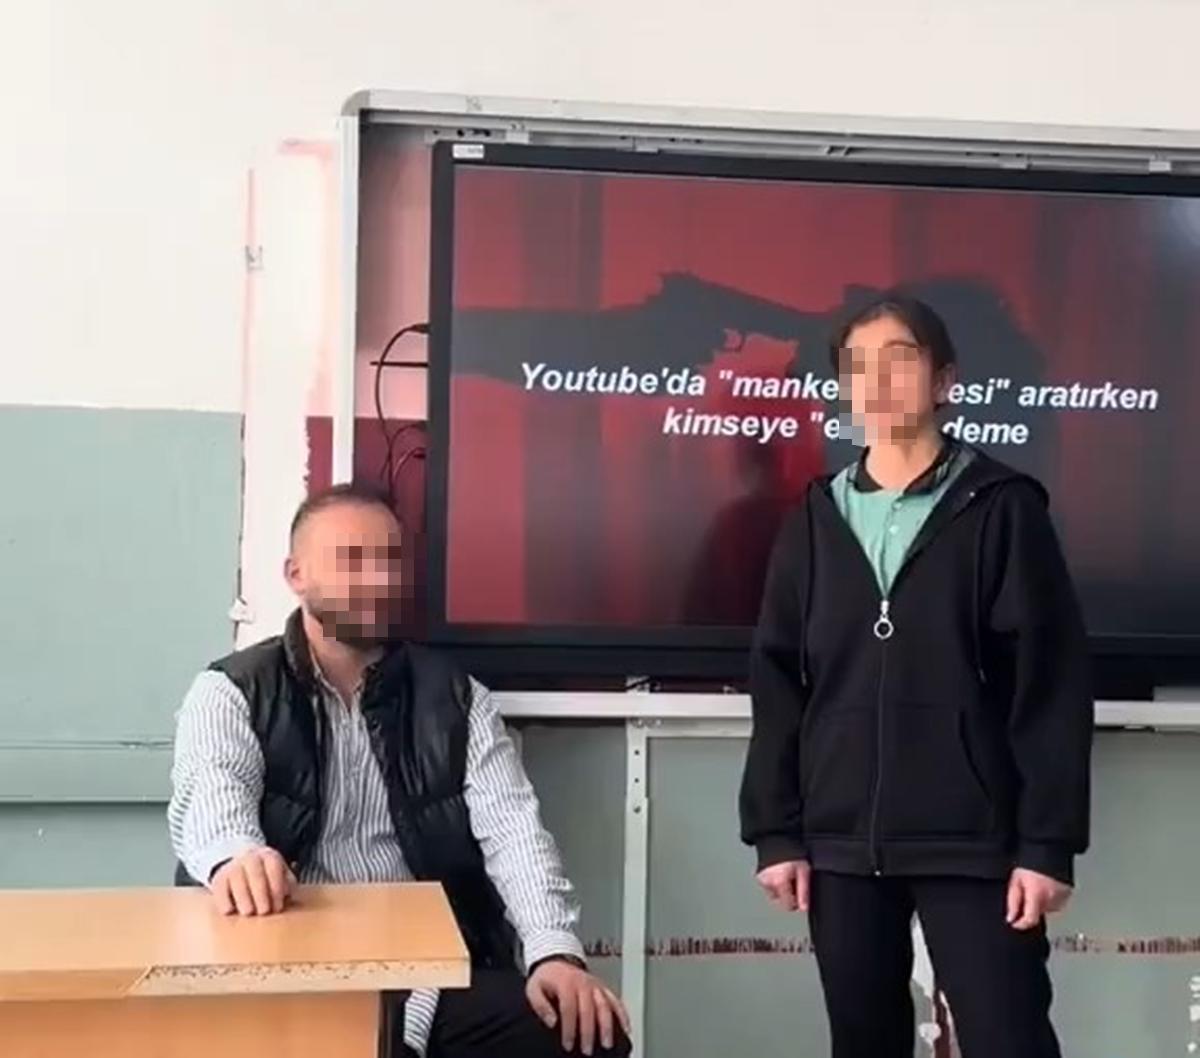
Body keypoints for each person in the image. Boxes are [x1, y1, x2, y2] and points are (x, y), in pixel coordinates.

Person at [739, 294, 1092, 1058]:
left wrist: (1047, 844)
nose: (875, 382)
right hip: (839, 845)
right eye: (857, 367)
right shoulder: (815, 518)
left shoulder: (1002, 508)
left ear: (944, 381)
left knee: (1010, 1039)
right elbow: (778, 680)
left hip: (976, 842)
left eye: (898, 360)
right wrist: (776, 832)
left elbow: (1051, 683)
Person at [168, 484, 631, 1058]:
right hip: (282, 973)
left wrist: (554, 953)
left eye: (390, 560)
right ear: (295, 575)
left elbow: (514, 833)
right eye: (352, 560)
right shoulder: (233, 691)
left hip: (426, 973)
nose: (379, 581)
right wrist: (236, 857)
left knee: (589, 1034)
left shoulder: (456, 698)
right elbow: (213, 797)